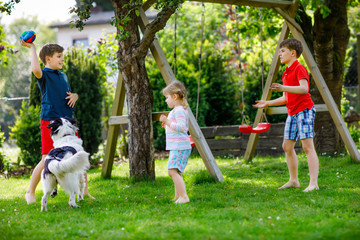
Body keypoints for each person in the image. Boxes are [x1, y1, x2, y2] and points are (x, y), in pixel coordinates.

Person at [20, 40, 94, 204]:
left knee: (76, 151)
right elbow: (35, 69)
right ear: (48, 59)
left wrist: (75, 96)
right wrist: (32, 47)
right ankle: (30, 192)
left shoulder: (63, 75)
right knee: (47, 157)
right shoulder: (44, 76)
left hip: (67, 122)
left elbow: (68, 94)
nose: (62, 59)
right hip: (50, 121)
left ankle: (85, 190)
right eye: (58, 56)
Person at [253, 38, 319, 192]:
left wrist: (283, 87)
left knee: (307, 146)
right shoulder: (286, 73)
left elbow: (304, 89)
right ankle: (294, 180)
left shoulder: (299, 68)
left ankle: (313, 184)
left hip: (304, 110)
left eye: (282, 51)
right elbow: (286, 97)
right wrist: (267, 103)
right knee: (287, 146)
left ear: (293, 53)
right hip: (293, 112)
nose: (279, 54)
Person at [160, 81, 192, 203]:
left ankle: (184, 196)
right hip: (178, 146)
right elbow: (177, 127)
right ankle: (178, 196)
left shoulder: (178, 110)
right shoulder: (177, 110)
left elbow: (182, 127)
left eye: (167, 97)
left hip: (179, 146)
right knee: (176, 171)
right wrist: (167, 126)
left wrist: (168, 122)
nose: (165, 100)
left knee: (172, 171)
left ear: (174, 96)